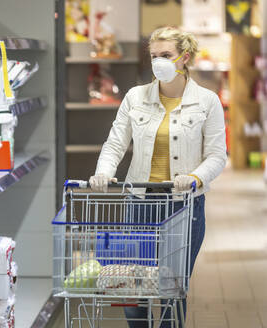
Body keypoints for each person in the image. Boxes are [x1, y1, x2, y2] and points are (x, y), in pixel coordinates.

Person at [89, 26, 227, 327]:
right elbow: (115, 143)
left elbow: (218, 156)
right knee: (132, 287)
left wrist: (195, 177)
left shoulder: (207, 102)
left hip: (184, 208)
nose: (159, 62)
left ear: (184, 57)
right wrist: (103, 172)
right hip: (140, 202)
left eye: (166, 55)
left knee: (171, 290)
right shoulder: (136, 98)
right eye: (154, 56)